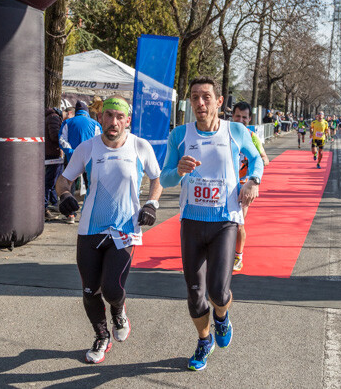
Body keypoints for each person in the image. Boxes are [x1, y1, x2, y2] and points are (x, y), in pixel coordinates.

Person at [160, 77, 263, 371]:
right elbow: (165, 177)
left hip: (224, 222)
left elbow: (256, 159)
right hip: (192, 222)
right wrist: (178, 171)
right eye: (194, 97)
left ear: (219, 101)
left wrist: (253, 181)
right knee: (195, 294)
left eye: (206, 96)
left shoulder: (236, 131)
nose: (200, 103)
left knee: (217, 292)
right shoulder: (180, 134)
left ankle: (222, 317)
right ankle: (204, 341)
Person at [53, 96, 163, 364]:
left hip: (125, 230)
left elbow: (157, 178)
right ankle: (101, 336)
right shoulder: (88, 148)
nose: (113, 121)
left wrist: (151, 204)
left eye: (119, 117)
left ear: (127, 120)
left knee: (112, 289)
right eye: (109, 115)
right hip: (90, 230)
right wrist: (64, 195)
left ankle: (119, 310)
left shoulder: (140, 146)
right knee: (90, 291)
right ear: (100, 117)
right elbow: (63, 180)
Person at [230, 102, 270, 272]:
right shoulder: (225, 132)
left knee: (239, 223)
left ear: (249, 119)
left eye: (244, 117)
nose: (241, 120)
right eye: (238, 116)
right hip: (224, 184)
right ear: (232, 116)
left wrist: (253, 174)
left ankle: (238, 256)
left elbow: (264, 159)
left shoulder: (252, 136)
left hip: (243, 186)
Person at [59, 100, 103, 222]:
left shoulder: (67, 122)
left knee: (69, 184)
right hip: (90, 158)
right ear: (86, 111)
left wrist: (71, 152)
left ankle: (70, 214)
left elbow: (62, 139)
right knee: (91, 185)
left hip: (71, 157)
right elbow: (99, 141)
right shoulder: (95, 124)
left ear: (76, 111)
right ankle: (93, 213)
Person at [45, 107, 64, 220]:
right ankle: (45, 208)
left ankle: (53, 204)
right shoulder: (54, 118)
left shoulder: (50, 117)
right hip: (53, 153)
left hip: (51, 152)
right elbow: (54, 135)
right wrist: (64, 139)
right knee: (50, 181)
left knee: (53, 180)